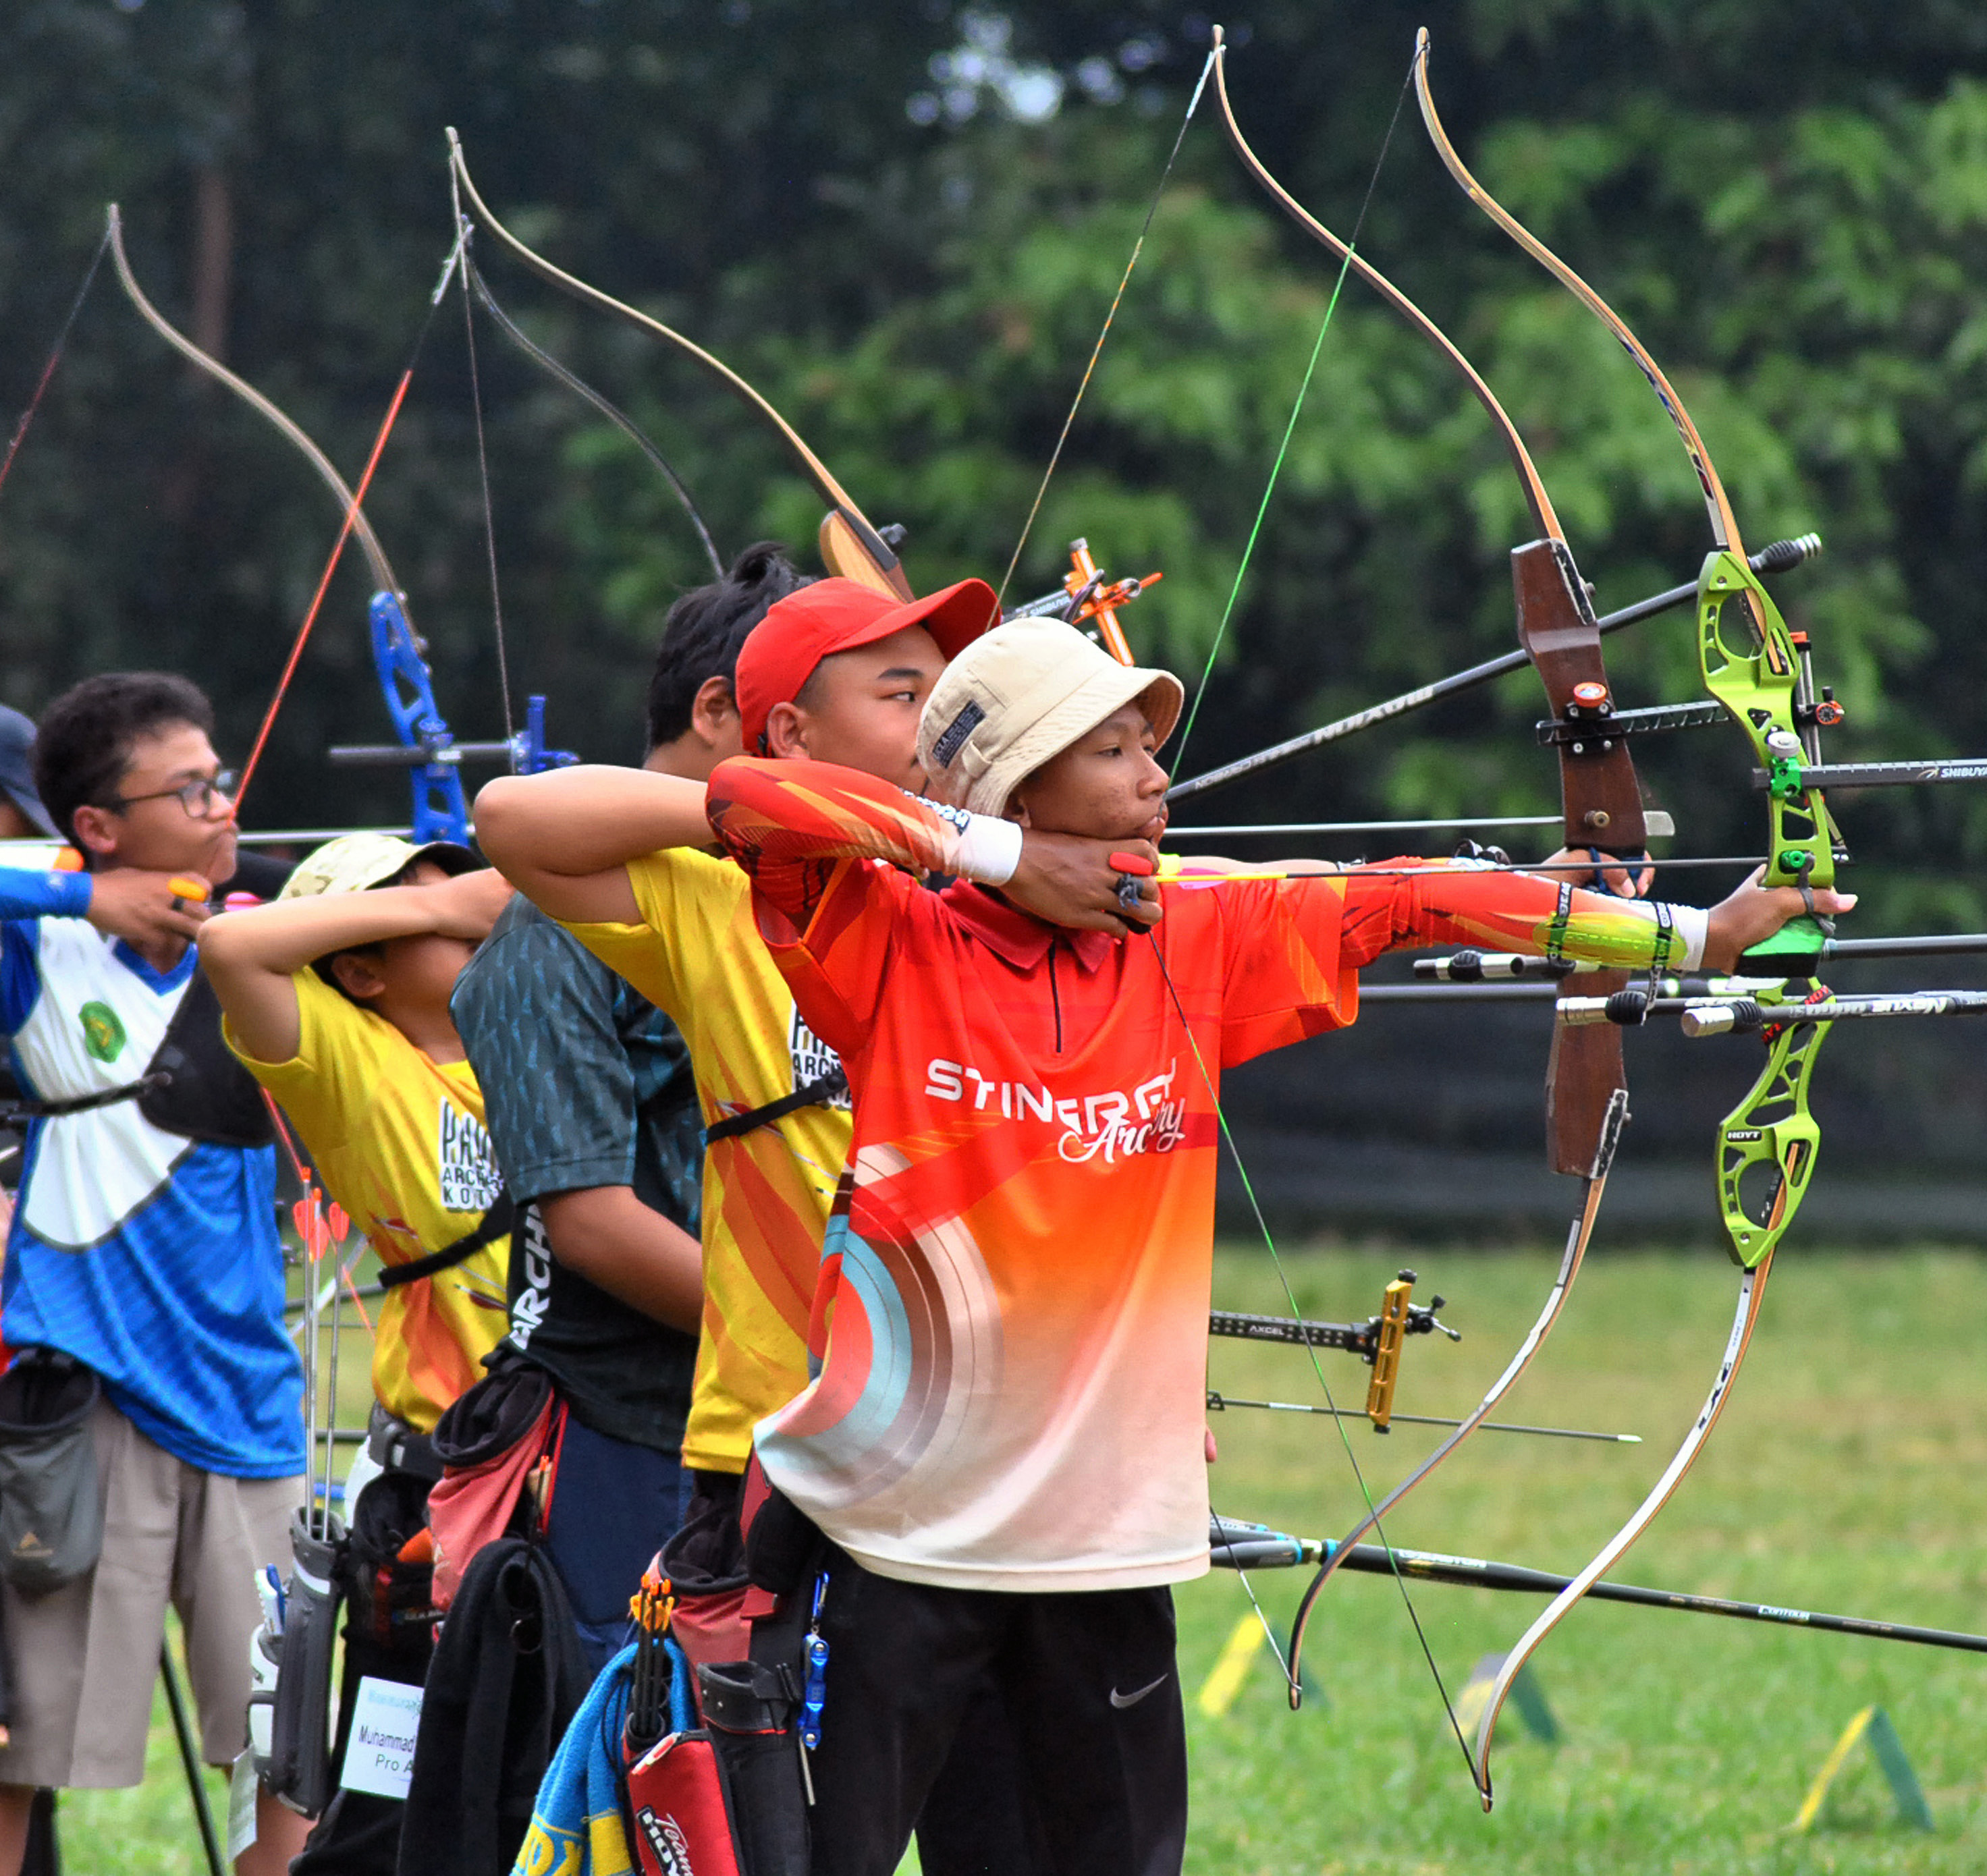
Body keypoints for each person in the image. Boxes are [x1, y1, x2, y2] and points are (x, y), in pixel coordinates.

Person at [697, 612, 1855, 1876]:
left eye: (1155, 748)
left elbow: (1421, 898)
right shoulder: (889, 946)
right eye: (1116, 750)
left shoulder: (1191, 934)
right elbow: (749, 795)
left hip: (1103, 1545)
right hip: (894, 1536)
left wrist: (1694, 937)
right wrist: (997, 856)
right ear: (1023, 783)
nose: (1157, 779)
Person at [474, 563, 1133, 1873]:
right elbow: (515, 817)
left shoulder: (1027, 907)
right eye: (901, 695)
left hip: (996, 1468)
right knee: (764, 1845)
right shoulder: (717, 897)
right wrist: (781, 819)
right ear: (784, 735)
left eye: (949, 696)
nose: (936, 722)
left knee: (1014, 1836)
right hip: (783, 1462)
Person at [0, 673, 308, 1876]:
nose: (225, 806)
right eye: (191, 790)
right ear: (96, 826)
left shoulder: (267, 938)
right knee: (27, 1738)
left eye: (221, 779)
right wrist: (83, 896)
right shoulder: (41, 950)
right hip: (89, 1398)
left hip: (250, 1395)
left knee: (288, 1740)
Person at [448, 553, 748, 1671]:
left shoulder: (796, 906)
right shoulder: (551, 928)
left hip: (781, 1417)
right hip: (629, 1430)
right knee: (620, 1768)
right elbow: (589, 1220)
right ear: (720, 710)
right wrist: (816, 1340)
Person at [199, 832, 514, 1873]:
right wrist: (444, 909)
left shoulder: (544, 1024)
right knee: (391, 1813)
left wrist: (456, 907)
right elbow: (237, 950)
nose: (465, 909)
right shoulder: (356, 1062)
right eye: (412, 902)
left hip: (579, 1465)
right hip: (439, 1492)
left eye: (463, 885)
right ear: (363, 967)